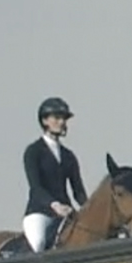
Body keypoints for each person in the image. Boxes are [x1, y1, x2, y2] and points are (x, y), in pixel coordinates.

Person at [22, 97, 87, 252]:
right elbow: (36, 187)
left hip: (65, 214)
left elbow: (78, 191)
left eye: (64, 119)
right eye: (57, 118)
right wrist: (54, 205)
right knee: (38, 243)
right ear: (45, 121)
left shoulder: (69, 156)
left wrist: (90, 209)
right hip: (40, 213)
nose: (62, 122)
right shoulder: (33, 151)